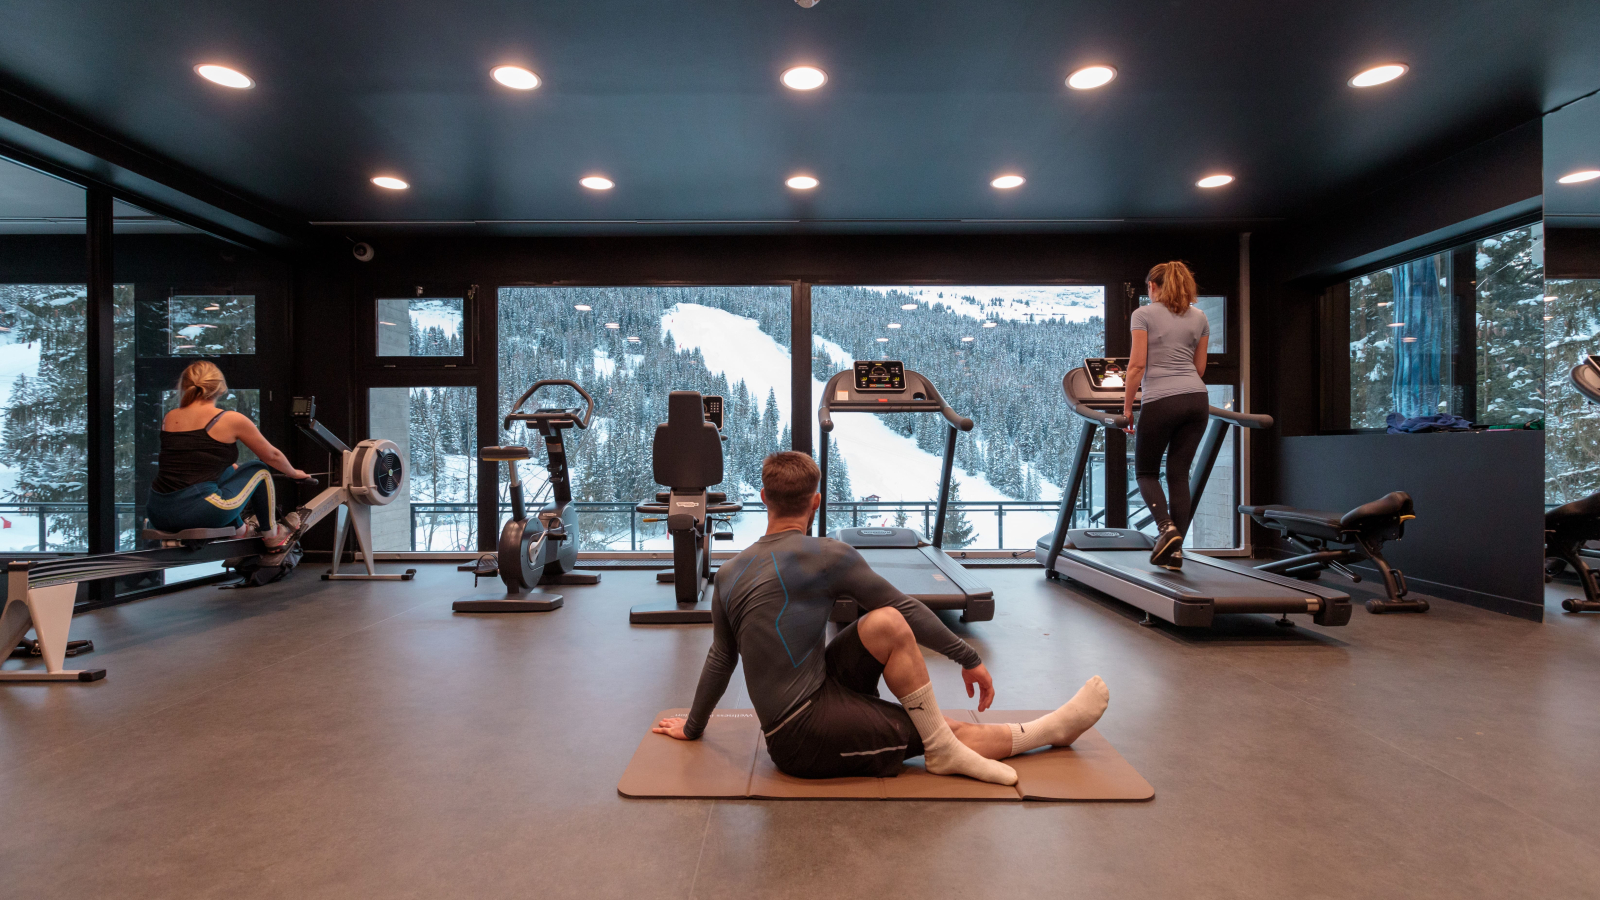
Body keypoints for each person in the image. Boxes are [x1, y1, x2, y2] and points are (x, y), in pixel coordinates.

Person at [652, 451, 1110, 785]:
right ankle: (1044, 732)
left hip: (823, 687)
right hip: (800, 736)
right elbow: (913, 604)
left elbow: (720, 659)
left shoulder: (729, 573)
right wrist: (968, 657)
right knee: (942, 732)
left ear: (763, 499)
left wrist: (693, 727)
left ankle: (945, 744)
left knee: (886, 622)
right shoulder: (828, 554)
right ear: (814, 503)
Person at [145, 361, 309, 547]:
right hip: (200, 511)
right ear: (220, 388)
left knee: (230, 470)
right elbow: (272, 456)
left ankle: (241, 531)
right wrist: (294, 473)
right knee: (260, 469)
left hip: (158, 511)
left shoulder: (170, 417)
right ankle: (272, 535)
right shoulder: (230, 419)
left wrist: (229, 469)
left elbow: (191, 461)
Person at [1124, 260, 1211, 570]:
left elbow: (1136, 367)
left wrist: (1127, 409)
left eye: (1149, 287)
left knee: (1145, 472)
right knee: (1178, 474)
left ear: (1154, 287)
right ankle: (1174, 554)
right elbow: (1199, 369)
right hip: (1197, 400)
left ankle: (1166, 527)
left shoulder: (1143, 314)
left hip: (1161, 400)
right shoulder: (1199, 317)